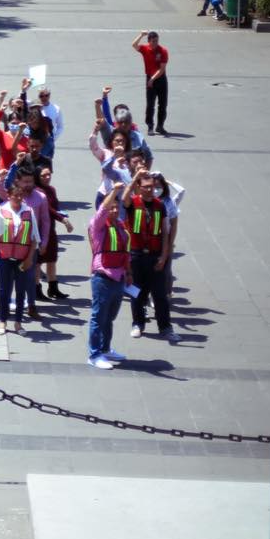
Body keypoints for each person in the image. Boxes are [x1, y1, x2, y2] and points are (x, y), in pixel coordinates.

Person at [86, 183, 132, 370]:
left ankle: (105, 348)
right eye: (111, 207)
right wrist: (114, 191)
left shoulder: (120, 226)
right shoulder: (98, 225)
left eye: (116, 207)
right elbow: (103, 209)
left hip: (119, 277)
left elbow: (125, 251)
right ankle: (94, 354)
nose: (114, 210)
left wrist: (128, 273)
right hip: (102, 277)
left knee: (110, 317)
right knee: (99, 317)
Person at [125, 169, 174, 340]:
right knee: (136, 293)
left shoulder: (160, 205)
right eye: (145, 187)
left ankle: (166, 327)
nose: (149, 190)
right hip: (136, 255)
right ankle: (137, 324)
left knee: (160, 294)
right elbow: (124, 198)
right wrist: (135, 177)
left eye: (151, 187)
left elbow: (165, 233)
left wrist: (164, 256)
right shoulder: (133, 203)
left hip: (154, 255)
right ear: (139, 187)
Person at [0, 183, 40, 335]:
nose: (18, 198)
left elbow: (34, 238)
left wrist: (29, 259)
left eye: (21, 195)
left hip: (22, 257)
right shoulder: (0, 210)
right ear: (9, 195)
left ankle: (18, 323)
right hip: (3, 256)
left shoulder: (29, 211)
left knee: (20, 290)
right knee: (4, 290)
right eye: (15, 195)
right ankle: (2, 321)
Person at [132, 30, 168, 135]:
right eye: (153, 41)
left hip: (161, 80)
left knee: (163, 104)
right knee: (150, 104)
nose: (155, 43)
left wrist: (152, 79)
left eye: (157, 41)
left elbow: (162, 69)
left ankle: (160, 126)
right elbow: (134, 45)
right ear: (149, 41)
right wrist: (141, 35)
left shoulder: (163, 51)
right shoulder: (144, 49)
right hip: (149, 79)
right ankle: (150, 126)